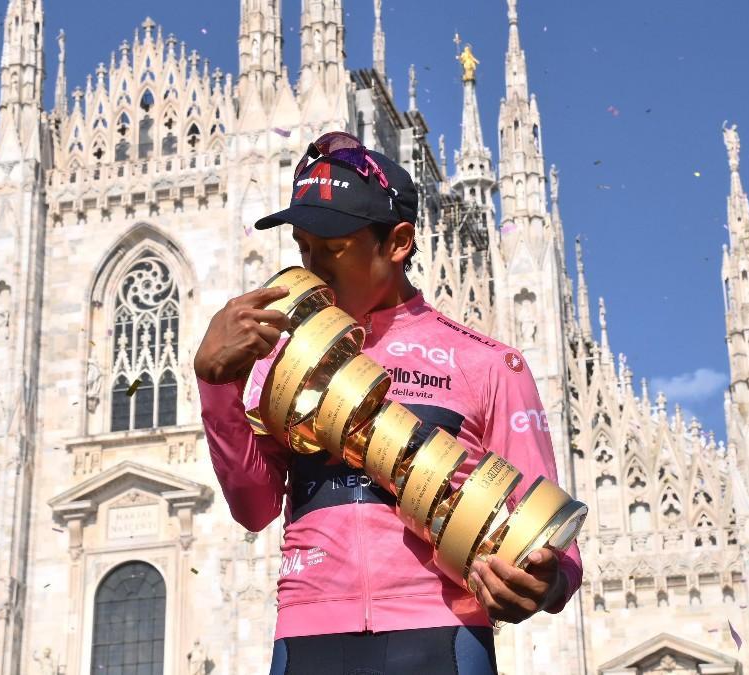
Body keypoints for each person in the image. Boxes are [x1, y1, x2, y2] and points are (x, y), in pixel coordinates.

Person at [194, 132, 583, 674]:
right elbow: (254, 507)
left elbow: (556, 544)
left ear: (398, 242)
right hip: (309, 632)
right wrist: (217, 383)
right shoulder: (282, 356)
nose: (312, 267)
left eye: (332, 250)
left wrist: (544, 580)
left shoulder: (488, 363)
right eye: (303, 247)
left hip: (441, 635)